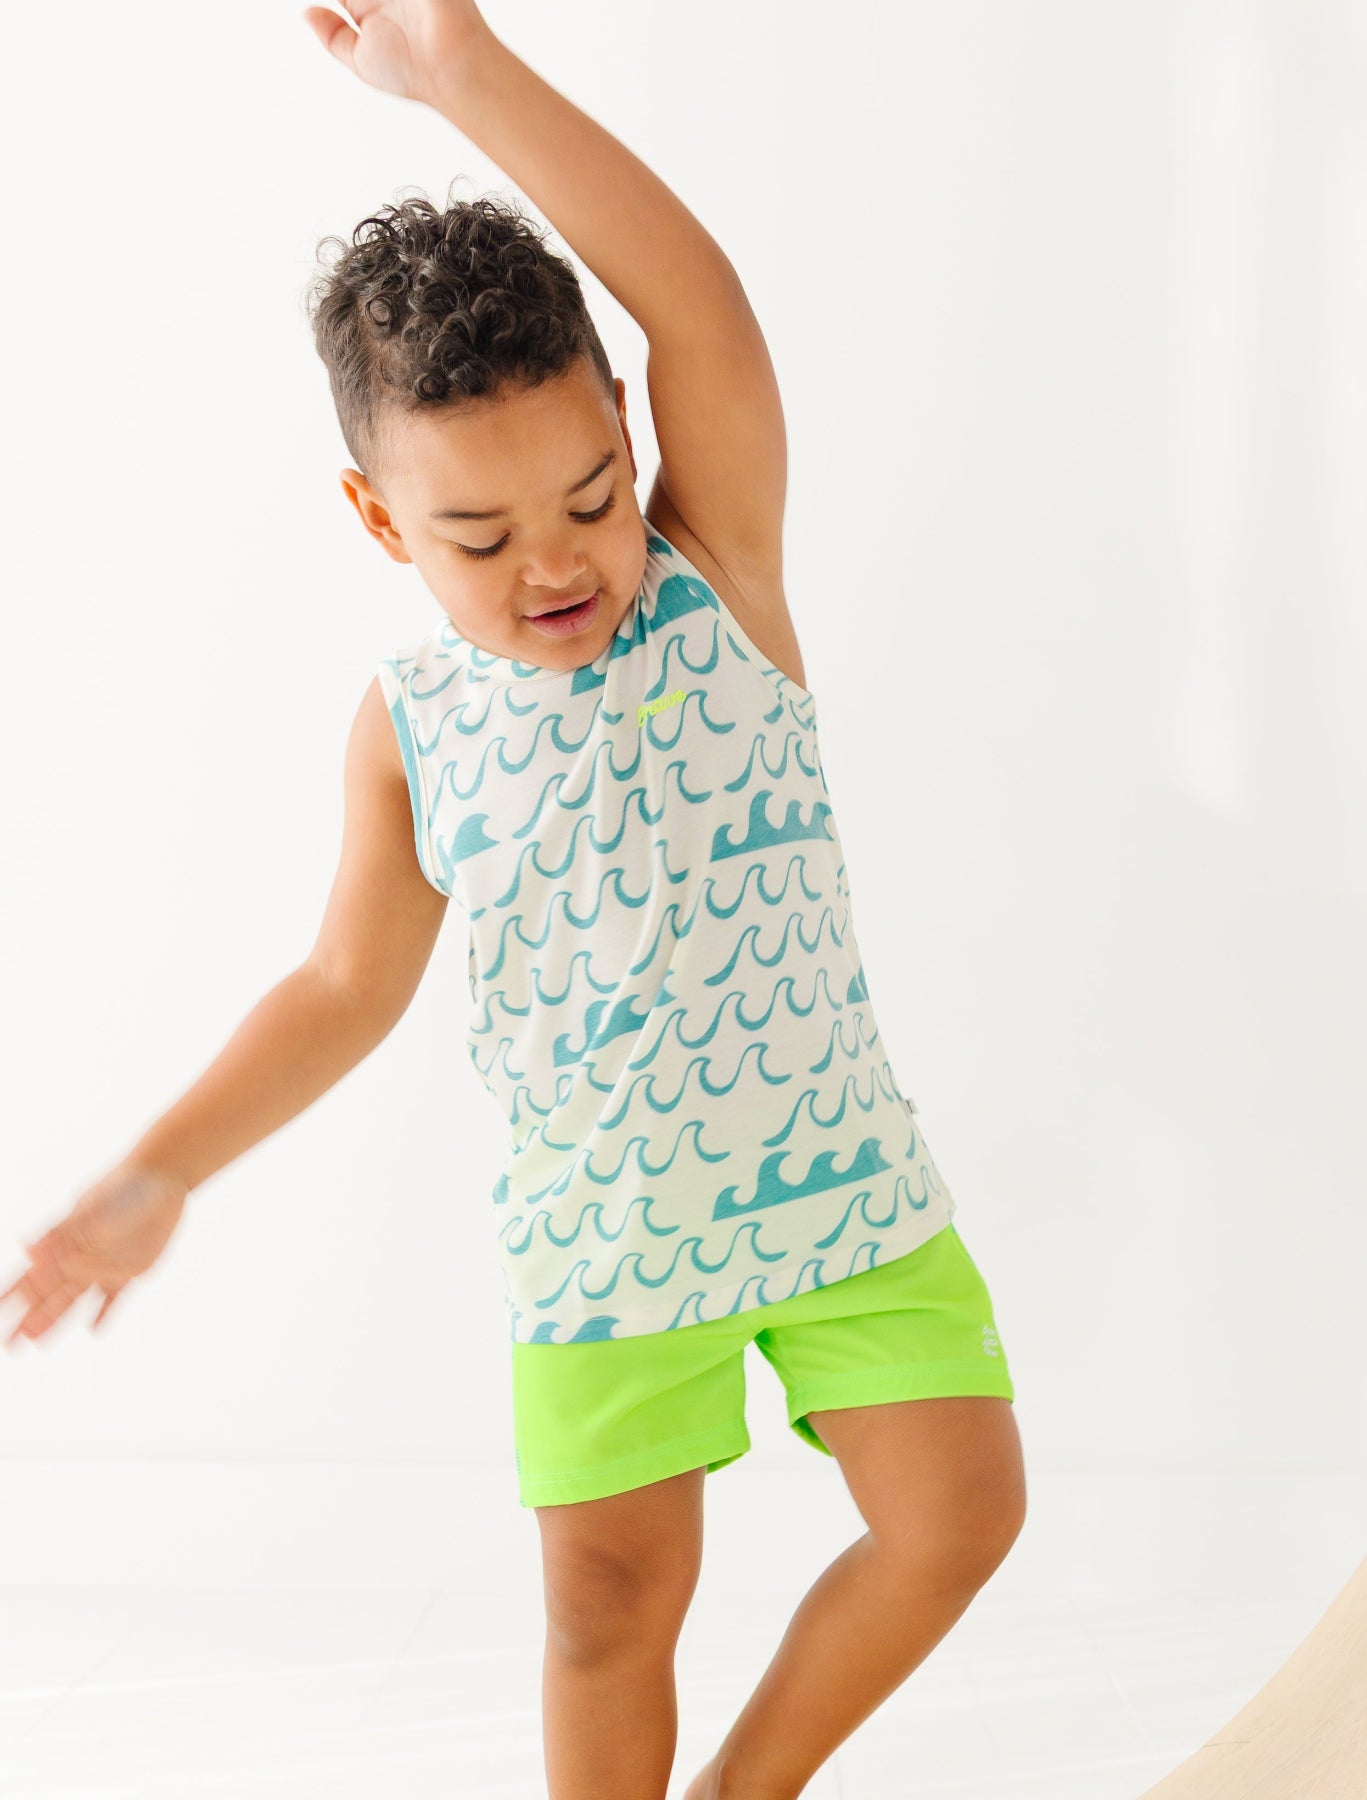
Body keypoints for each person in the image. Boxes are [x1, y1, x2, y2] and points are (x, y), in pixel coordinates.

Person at [0, 2, 1026, 1796]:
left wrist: (457, 67)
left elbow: (701, 304)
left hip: (845, 1183)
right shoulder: (411, 732)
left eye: (588, 494)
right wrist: (151, 1176)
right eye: (479, 536)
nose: (554, 560)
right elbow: (340, 986)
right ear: (382, 520)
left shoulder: (720, 575)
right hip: (606, 1242)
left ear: (632, 437)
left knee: (958, 1514)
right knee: (612, 1609)